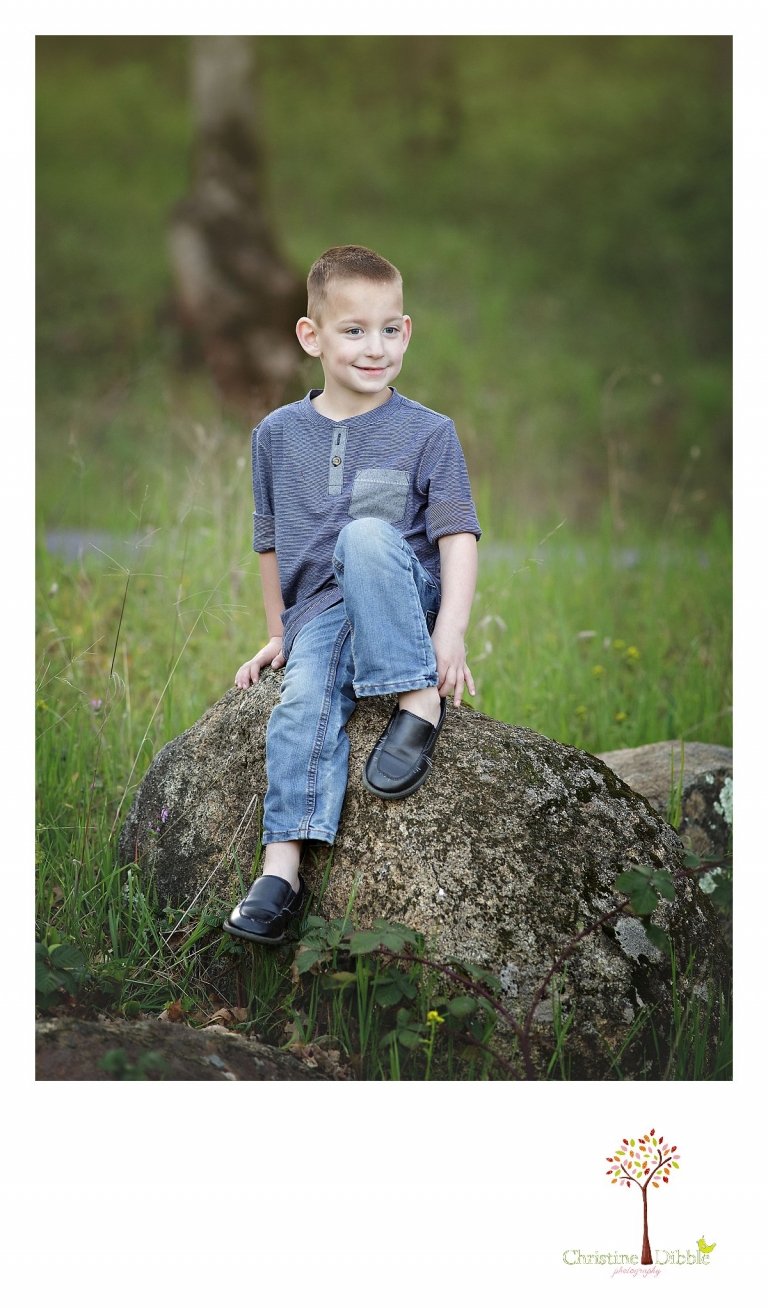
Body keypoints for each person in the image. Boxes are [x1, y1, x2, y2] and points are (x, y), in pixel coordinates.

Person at [224, 245, 481, 944]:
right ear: (312, 336)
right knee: (300, 705)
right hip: (318, 615)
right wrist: (280, 633)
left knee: (366, 536)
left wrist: (448, 635)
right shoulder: (275, 436)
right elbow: (270, 542)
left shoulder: (429, 432)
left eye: (390, 329)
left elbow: (458, 535)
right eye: (354, 330)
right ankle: (281, 871)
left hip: (398, 595)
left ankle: (416, 698)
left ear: (407, 330)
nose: (376, 347)